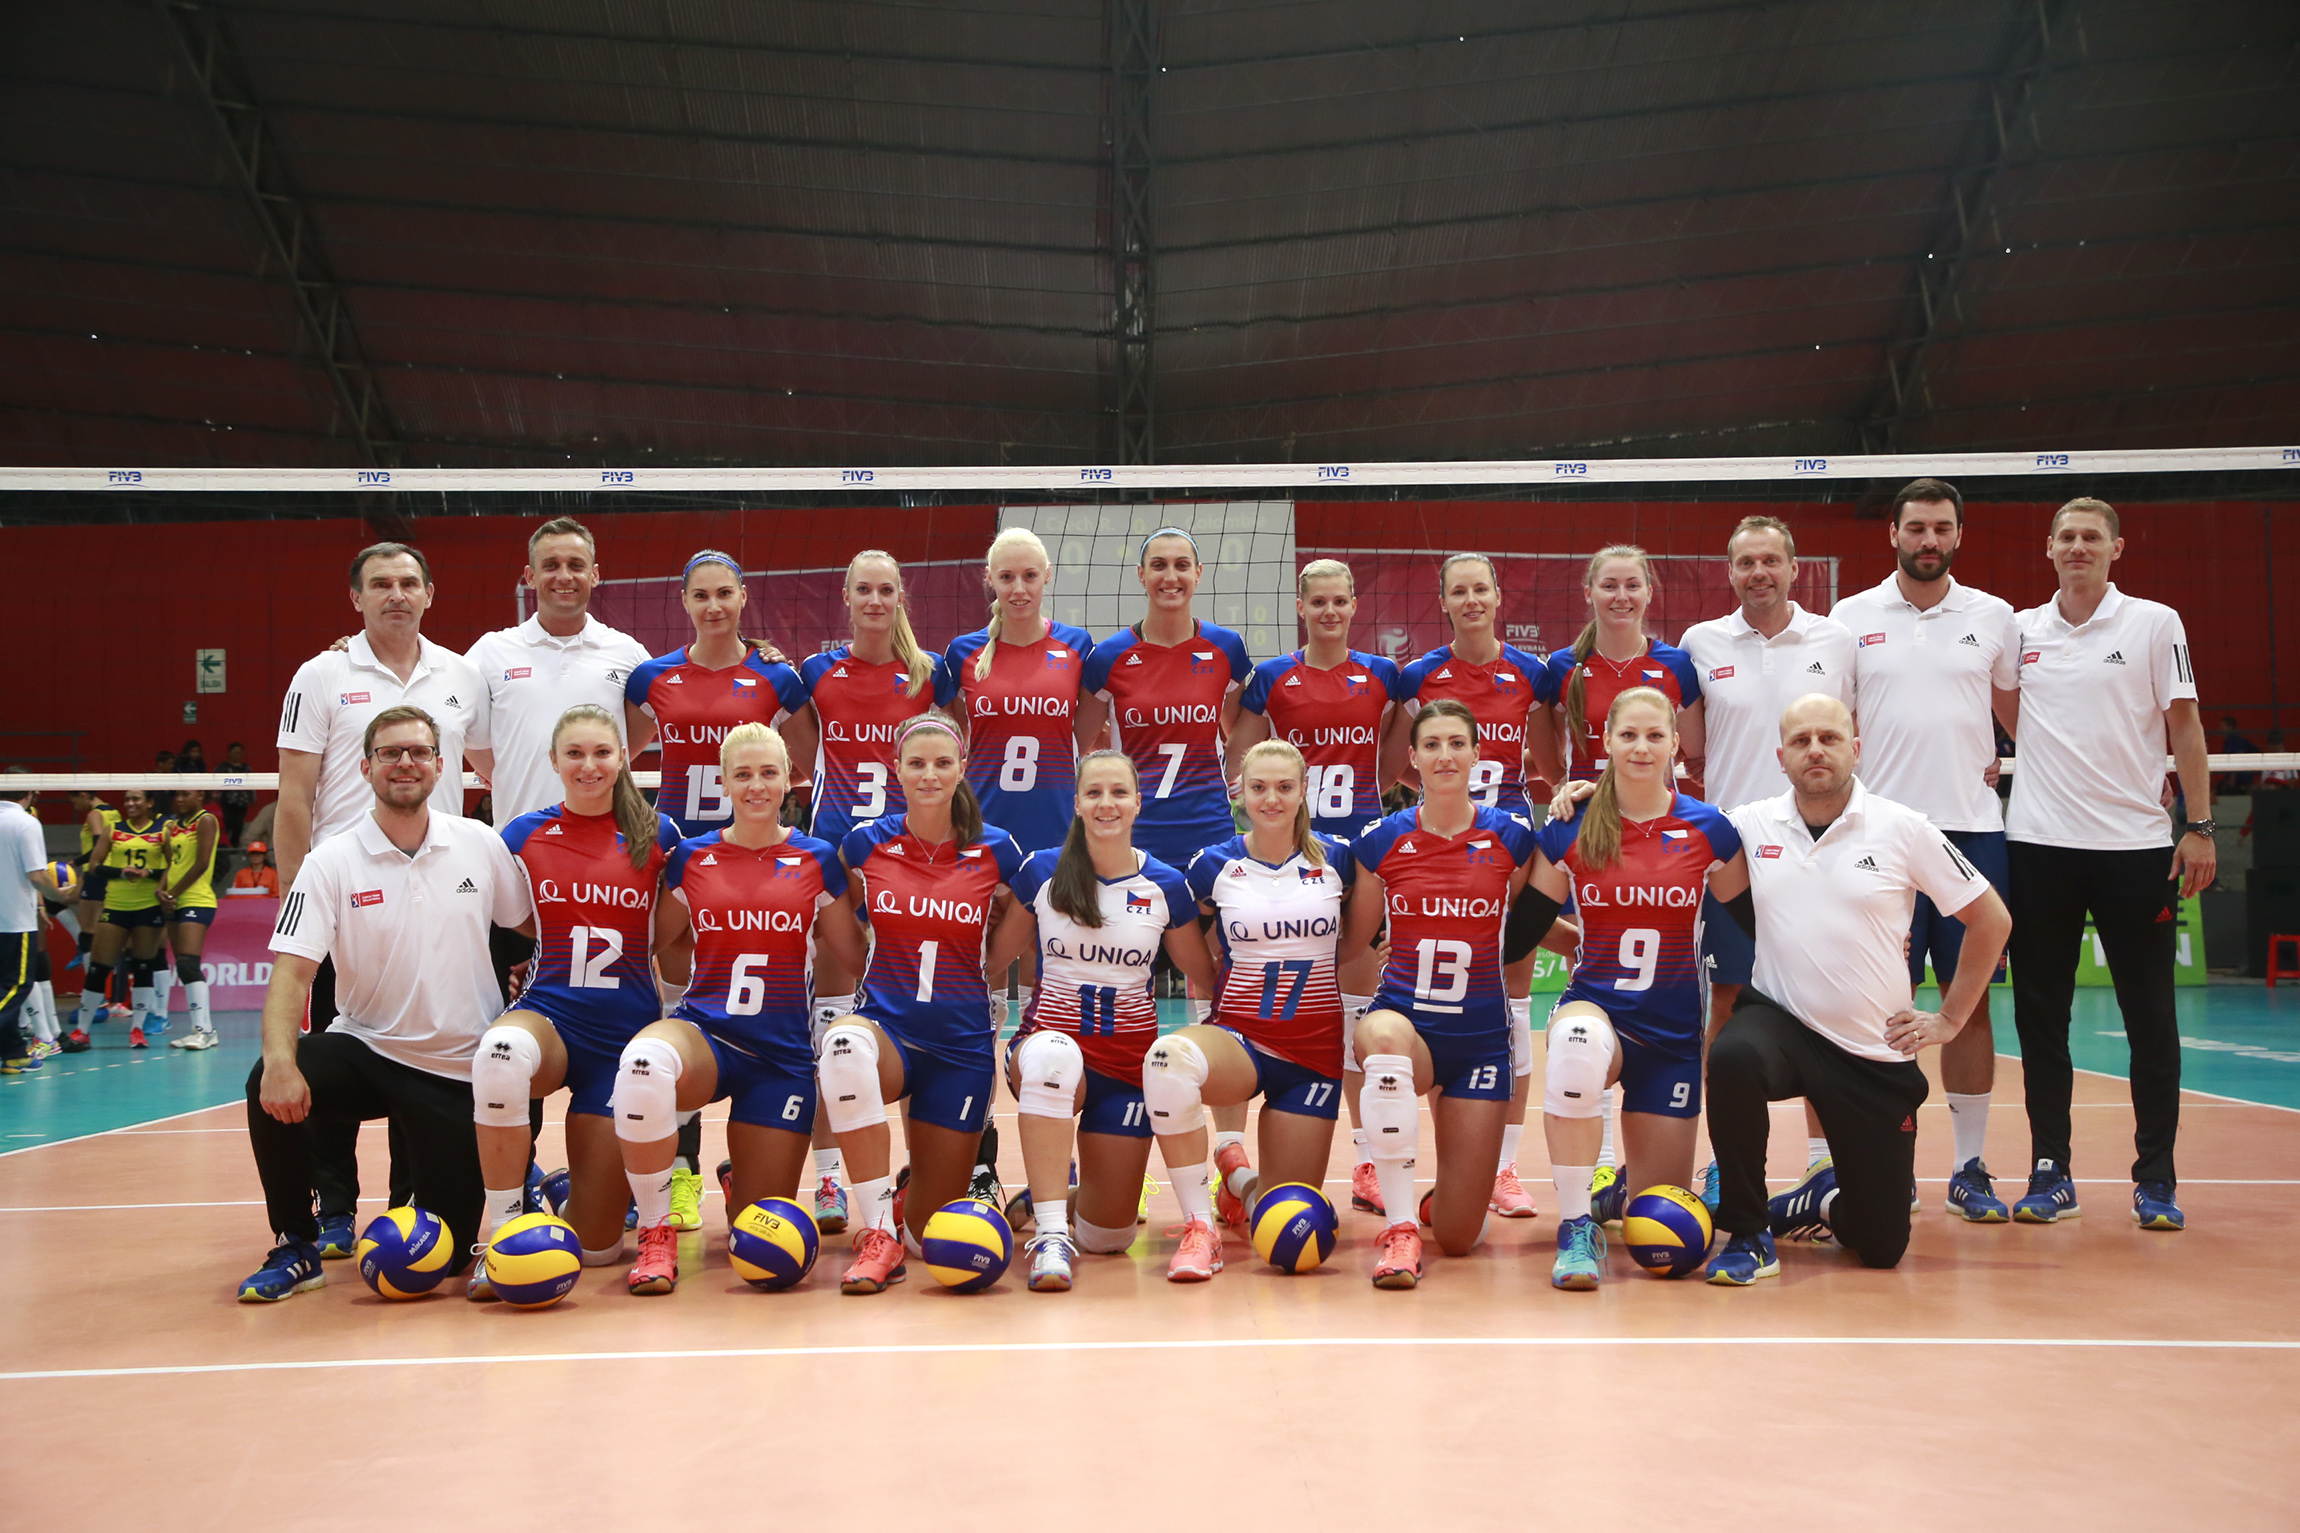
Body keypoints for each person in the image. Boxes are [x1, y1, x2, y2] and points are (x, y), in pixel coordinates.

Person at [1703, 694, 2010, 1283]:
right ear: (1781, 757)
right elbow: (1666, 817)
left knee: (1881, 1245)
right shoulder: (1749, 823)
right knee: (1732, 1055)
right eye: (1801, 741)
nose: (1815, 750)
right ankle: (1748, 1232)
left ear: (1856, 749)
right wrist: (1592, 795)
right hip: (1781, 1021)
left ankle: (1819, 1203)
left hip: (1871, 1050)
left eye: (1829, 738)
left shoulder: (1904, 828)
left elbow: (1991, 919)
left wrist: (1948, 1019)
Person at [236, 706, 533, 1302]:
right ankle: (296, 1244)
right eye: (390, 753)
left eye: (419, 752)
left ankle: (523, 1189)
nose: (405, 763)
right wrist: (280, 1062)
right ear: (365, 767)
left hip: (458, 1070)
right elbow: (292, 973)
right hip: (367, 1050)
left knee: (443, 1256)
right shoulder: (330, 861)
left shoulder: (480, 844)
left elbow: (531, 928)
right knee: (268, 1079)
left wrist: (527, 1004)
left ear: (441, 766)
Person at [2004, 497, 2215, 1231]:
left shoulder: (2155, 623)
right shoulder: (2021, 629)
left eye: (2092, 537)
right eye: (2067, 536)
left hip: (2135, 849)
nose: (2079, 547)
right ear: (2049, 548)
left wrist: (2199, 825)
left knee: (2150, 1018)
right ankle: (2050, 1170)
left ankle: (2155, 1179)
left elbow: (2185, 724)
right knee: (2040, 1018)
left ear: (2115, 548)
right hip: (2038, 846)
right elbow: (2010, 710)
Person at [276, 541, 492, 1256]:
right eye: (380, 583)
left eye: (407, 582)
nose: (395, 594)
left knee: (422, 1055)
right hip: (346, 896)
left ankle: (409, 1203)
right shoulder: (321, 673)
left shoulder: (461, 673)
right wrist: (297, 901)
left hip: (438, 891)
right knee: (333, 1052)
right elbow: (294, 795)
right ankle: (335, 1208)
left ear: (429, 592)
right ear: (356, 597)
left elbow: (497, 761)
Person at [1831, 478, 2024, 1221]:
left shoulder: (1994, 616)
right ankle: (1893, 1166)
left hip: (1970, 830)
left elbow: (2018, 714)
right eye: (1916, 527)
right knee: (1884, 1006)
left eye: (1941, 527)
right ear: (1894, 534)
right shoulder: (1850, 619)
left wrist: (2009, 761)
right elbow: (1835, 719)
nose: (1928, 540)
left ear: (1958, 535)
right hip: (1879, 837)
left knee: (1967, 1005)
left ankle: (1969, 1167)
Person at [1508, 688, 1746, 1289]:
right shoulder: (1571, 825)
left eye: (1655, 735)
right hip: (1599, 1012)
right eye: (1629, 735)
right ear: (1607, 742)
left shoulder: (1709, 830)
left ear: (1675, 745)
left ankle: (1615, 1197)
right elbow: (1523, 930)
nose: (1642, 747)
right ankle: (1575, 1227)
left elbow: (1755, 923)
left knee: (1657, 1221)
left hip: (1672, 1036)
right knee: (1576, 1044)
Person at [639, 722, 865, 1294]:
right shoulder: (693, 857)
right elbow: (650, 940)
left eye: (768, 773)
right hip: (707, 1035)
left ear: (789, 780)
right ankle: (654, 1228)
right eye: (743, 774)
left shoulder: (816, 859)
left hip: (780, 1055)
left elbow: (858, 956)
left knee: (760, 1237)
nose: (756, 786)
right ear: (724, 782)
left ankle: (739, 1180)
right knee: (644, 1063)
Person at [623, 550, 809, 1228]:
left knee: (762, 1004)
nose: (713, 606)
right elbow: (622, 757)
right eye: (700, 595)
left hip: (755, 857)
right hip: (684, 857)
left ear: (742, 596)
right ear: (684, 600)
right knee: (683, 1013)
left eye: (724, 593)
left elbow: (808, 761)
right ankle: (682, 1171)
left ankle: (763, 1160)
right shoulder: (653, 677)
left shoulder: (775, 677)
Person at [984, 750, 1214, 1291]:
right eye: (1094, 793)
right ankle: (1049, 1235)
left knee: (1108, 1236)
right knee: (1055, 1057)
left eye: (1118, 793)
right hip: (1045, 1048)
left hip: (1126, 1066)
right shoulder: (1041, 872)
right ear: (1077, 804)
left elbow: (1205, 974)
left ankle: (1053, 1200)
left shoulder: (1164, 885)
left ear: (1137, 803)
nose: (1106, 804)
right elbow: (992, 962)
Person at [1674, 516, 1854, 1204]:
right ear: (1730, 572)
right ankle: (1728, 1161)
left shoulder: (1836, 639)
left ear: (1793, 568)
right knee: (1727, 1003)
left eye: (1770, 561)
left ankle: (1823, 1163)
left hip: (1820, 848)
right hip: (1735, 853)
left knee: (1823, 1000)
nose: (1759, 573)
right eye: (1746, 562)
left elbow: (1859, 731)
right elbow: (1692, 748)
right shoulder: (1701, 642)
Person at [476, 706, 682, 1297]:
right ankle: (501, 1233)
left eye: (601, 753)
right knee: (499, 1051)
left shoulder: (660, 836)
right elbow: (512, 918)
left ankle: (570, 1193)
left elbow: (666, 934)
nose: (588, 766)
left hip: (622, 1035)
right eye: (574, 754)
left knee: (595, 1251)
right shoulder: (523, 834)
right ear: (554, 761)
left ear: (623, 759)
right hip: (552, 1016)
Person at [817, 714, 1024, 1294]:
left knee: (929, 1235)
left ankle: (907, 1209)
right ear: (897, 771)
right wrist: (869, 967)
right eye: (917, 763)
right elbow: (839, 910)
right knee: (842, 1044)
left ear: (961, 770)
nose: (929, 774)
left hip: (960, 1046)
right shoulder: (866, 843)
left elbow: (1022, 912)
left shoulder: (996, 849)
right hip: (890, 1029)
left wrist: (985, 965)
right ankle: (876, 1231)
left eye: (941, 763)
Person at [1342, 701, 1542, 1289]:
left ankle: (1448, 1201)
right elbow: (1351, 939)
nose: (1445, 756)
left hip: (1480, 1042)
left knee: (1457, 1237)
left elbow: (1534, 920)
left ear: (1477, 754)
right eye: (1431, 745)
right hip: (1406, 1023)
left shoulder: (1512, 838)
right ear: (1413, 757)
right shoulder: (1382, 840)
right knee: (1381, 1039)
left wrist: (1591, 941)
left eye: (1457, 743)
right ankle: (1400, 1227)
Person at [1224, 558, 1400, 1220]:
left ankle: (1365, 1160)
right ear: (1300, 607)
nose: (1329, 611)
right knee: (1248, 1005)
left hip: (1355, 860)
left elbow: (1391, 763)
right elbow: (1241, 762)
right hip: (1285, 862)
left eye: (1339, 601)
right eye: (1317, 601)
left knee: (1354, 1007)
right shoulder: (1273, 678)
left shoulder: (1382, 676)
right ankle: (1232, 1158)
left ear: (1354, 605)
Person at [1155, 739, 1363, 1282]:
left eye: (1284, 787)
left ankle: (1237, 1179)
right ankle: (1200, 1227)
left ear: (1304, 790)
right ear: (1240, 793)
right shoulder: (1214, 865)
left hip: (1312, 1056)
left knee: (1282, 1218)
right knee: (1166, 1060)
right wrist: (1215, 982)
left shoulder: (1339, 859)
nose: (1272, 799)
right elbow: (1185, 940)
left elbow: (1362, 935)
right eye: (1259, 787)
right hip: (1241, 1039)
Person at [1386, 553, 1554, 1220]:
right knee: (1443, 1006)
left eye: (1481, 588)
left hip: (1506, 849)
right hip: (1441, 847)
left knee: (1511, 1003)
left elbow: (1550, 763)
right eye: (1459, 591)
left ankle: (1503, 1166)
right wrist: (1443, 802)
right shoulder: (1419, 675)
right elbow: (1394, 766)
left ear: (1497, 594)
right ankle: (1443, 1160)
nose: (1472, 599)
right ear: (1444, 601)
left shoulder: (1531, 672)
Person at [943, 526, 1099, 1041]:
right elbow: (953, 735)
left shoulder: (1076, 646)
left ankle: (1039, 1056)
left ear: (1047, 576)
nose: (1018, 589)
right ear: (989, 579)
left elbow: (1081, 737)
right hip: (983, 826)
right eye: (1006, 577)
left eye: (1029, 576)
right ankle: (978, 1070)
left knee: (1044, 953)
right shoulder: (963, 652)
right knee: (980, 952)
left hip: (1053, 823)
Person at [1079, 528, 1253, 871]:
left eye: (1181, 565)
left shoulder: (1226, 648)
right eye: (1158, 565)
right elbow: (1080, 745)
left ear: (1198, 573)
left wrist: (1235, 788)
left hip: (1210, 828)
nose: (1170, 577)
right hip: (1133, 832)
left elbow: (1237, 737)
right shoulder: (1108, 657)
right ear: (1141, 574)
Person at [467, 518, 653, 827]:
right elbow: (470, 736)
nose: (564, 576)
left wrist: (595, 765)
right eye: (551, 565)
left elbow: (644, 724)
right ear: (531, 576)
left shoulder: (627, 652)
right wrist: (508, 773)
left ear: (594, 575)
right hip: (519, 836)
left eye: (576, 565)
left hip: (607, 835)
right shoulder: (491, 651)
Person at [80, 788, 169, 1047]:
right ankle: (82, 1031)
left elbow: (174, 866)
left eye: (136, 799)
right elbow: (94, 865)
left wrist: (149, 873)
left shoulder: (163, 831)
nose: (130, 803)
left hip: (148, 905)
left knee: (143, 966)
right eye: (127, 799)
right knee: (99, 967)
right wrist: (121, 872)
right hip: (117, 904)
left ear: (149, 802)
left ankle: (137, 1029)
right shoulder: (114, 830)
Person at [1, 777, 75, 1073]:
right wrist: (58, 895)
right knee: (16, 986)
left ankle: (13, 1053)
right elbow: (36, 875)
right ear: (30, 793)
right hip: (14, 921)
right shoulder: (26, 823)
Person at [158, 787, 223, 1051]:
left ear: (200, 796)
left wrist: (173, 892)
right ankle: (199, 1029)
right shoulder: (174, 826)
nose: (180, 799)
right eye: (177, 795)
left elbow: (202, 863)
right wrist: (161, 889)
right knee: (183, 966)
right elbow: (172, 863)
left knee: (188, 963)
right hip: (174, 899)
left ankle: (206, 1031)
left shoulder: (206, 820)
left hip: (196, 899)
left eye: (186, 794)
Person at [217, 742, 257, 846]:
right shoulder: (223, 767)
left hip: (242, 801)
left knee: (239, 825)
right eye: (235, 752)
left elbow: (251, 782)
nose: (237, 755)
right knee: (227, 823)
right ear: (229, 753)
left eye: (239, 752)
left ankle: (235, 845)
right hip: (227, 801)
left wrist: (252, 798)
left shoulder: (246, 767)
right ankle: (225, 844)